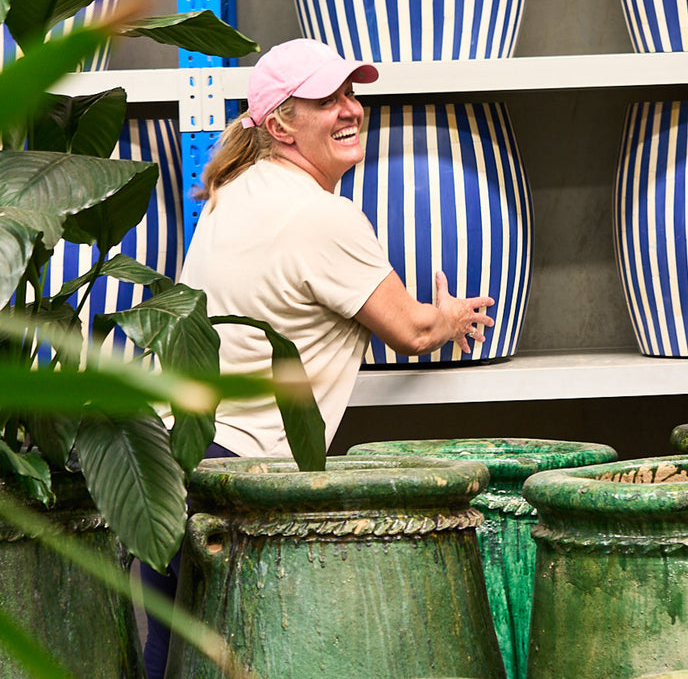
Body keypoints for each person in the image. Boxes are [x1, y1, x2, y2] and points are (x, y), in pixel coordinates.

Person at [142, 37, 495, 677]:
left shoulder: (233, 190)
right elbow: (411, 330)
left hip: (170, 465)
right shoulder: (322, 216)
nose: (350, 109)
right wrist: (450, 317)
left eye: (350, 93)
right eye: (325, 99)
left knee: (169, 661)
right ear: (280, 124)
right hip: (238, 481)